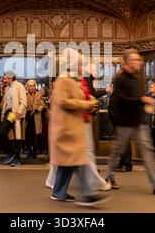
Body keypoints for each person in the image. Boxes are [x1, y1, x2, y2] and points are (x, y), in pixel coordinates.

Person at [48, 48, 111, 206]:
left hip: (71, 128)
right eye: (80, 64)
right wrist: (86, 103)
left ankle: (58, 192)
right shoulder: (63, 80)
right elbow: (64, 101)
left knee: (68, 163)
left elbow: (83, 97)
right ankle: (88, 195)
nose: (82, 68)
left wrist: (89, 101)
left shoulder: (73, 79)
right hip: (66, 129)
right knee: (79, 161)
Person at [106, 49, 155, 194]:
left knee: (148, 152)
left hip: (139, 121)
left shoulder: (137, 78)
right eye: (135, 60)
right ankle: (109, 177)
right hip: (124, 122)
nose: (139, 62)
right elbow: (120, 100)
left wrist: (146, 104)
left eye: (138, 60)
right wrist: (141, 99)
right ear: (128, 62)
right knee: (117, 152)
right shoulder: (120, 79)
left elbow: (138, 98)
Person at [0, 71, 27, 167]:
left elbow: (24, 102)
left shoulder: (19, 86)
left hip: (16, 113)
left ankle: (17, 158)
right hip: (9, 113)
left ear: (10, 78)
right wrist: (3, 113)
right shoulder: (8, 87)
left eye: (5, 78)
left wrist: (19, 112)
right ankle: (11, 153)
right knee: (2, 132)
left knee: (17, 136)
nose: (4, 79)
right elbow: (6, 102)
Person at [24, 79, 45, 159]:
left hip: (36, 118)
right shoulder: (25, 94)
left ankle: (34, 153)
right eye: (30, 86)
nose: (32, 87)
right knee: (28, 135)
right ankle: (29, 151)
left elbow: (42, 105)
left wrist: (37, 109)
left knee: (35, 136)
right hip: (28, 118)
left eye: (33, 86)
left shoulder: (39, 94)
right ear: (27, 87)